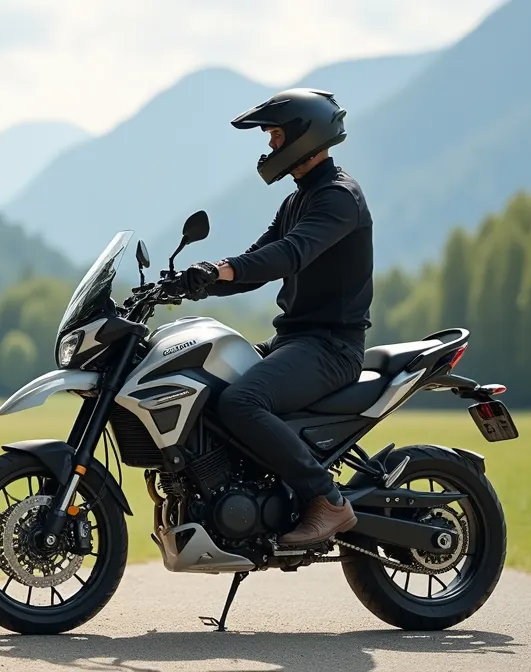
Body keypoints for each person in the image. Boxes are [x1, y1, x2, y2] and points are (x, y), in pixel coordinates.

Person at [181, 88, 371, 547]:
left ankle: (326, 499)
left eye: (275, 135)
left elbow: (289, 254)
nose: (269, 146)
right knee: (207, 384)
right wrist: (197, 282)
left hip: (330, 347)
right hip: (296, 343)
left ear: (305, 136)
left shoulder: (338, 197)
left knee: (241, 402)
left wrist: (224, 269)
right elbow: (257, 260)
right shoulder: (298, 200)